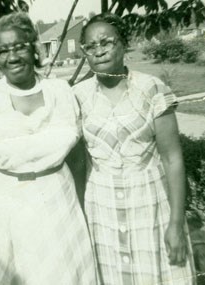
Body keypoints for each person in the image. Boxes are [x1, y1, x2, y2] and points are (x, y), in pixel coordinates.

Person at [0, 11, 98, 285]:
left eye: (19, 47)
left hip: (59, 209)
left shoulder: (61, 92)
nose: (13, 57)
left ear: (34, 48)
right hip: (4, 210)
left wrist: (80, 214)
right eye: (3, 50)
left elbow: (77, 160)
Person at [73, 13, 196, 285]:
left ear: (124, 44)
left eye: (106, 42)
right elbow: (78, 160)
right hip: (101, 207)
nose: (99, 50)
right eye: (90, 46)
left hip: (149, 202)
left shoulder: (152, 89)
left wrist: (176, 223)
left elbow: (172, 159)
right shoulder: (78, 97)